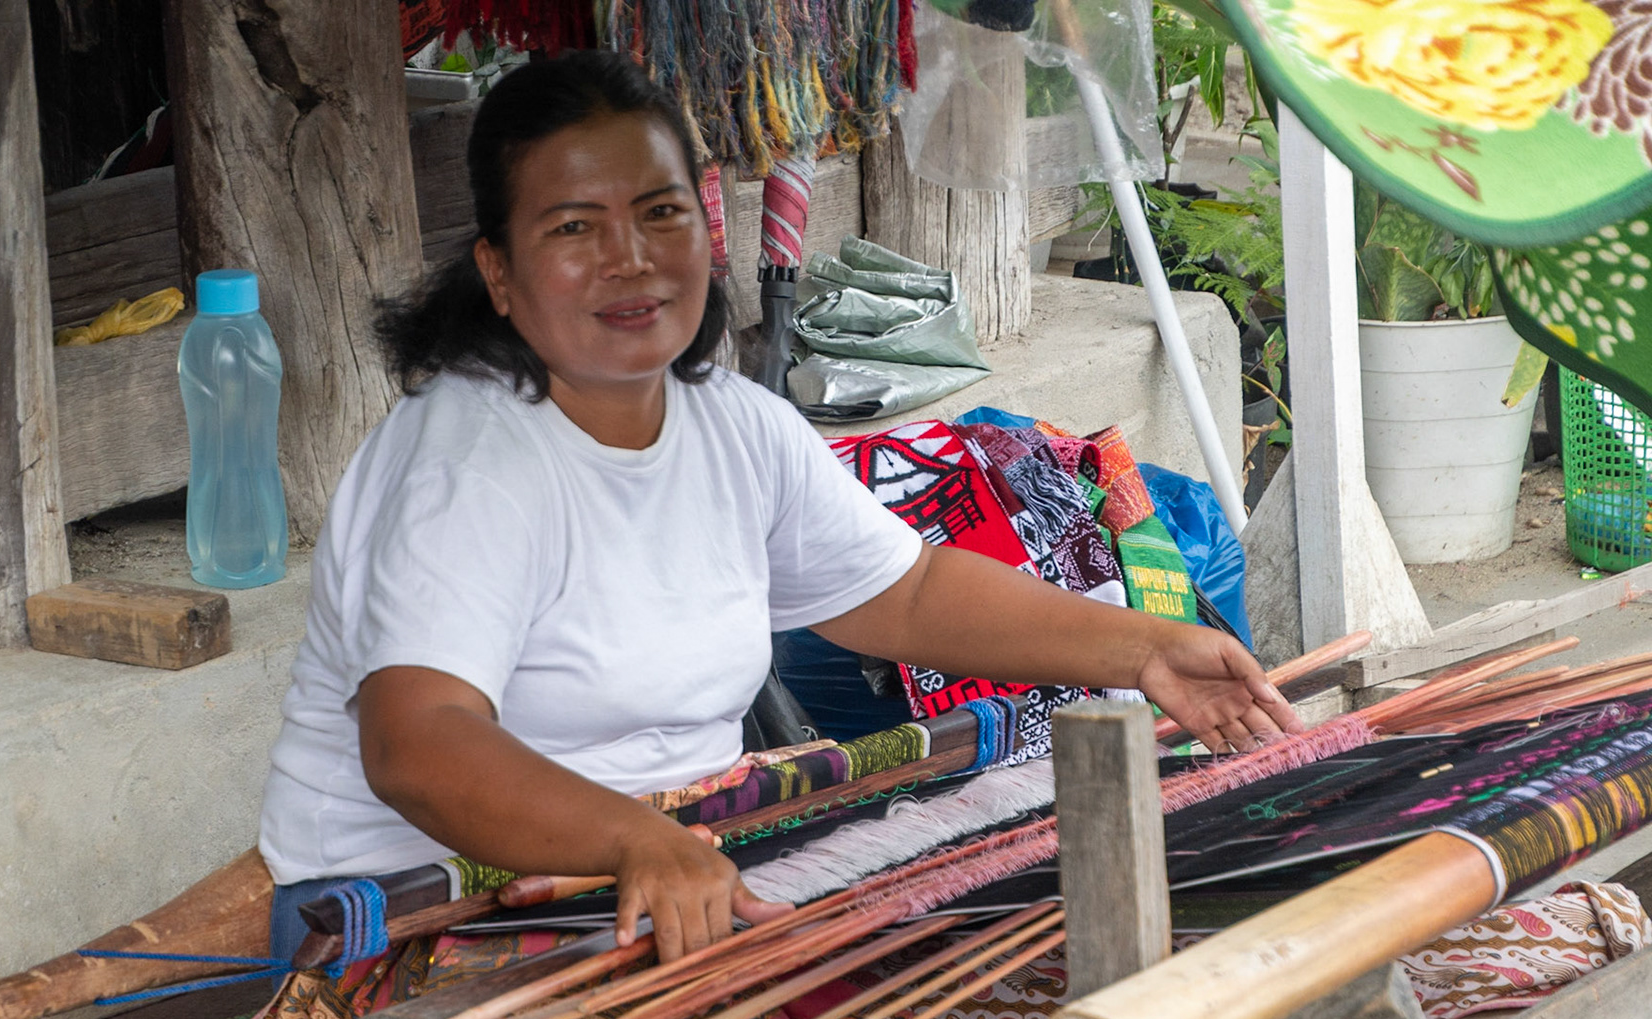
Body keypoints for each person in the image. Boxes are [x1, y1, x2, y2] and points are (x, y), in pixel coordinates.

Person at [257, 51, 1300, 967]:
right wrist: (632, 839)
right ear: (498, 270)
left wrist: (1148, 650)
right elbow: (420, 743)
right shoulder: (469, 462)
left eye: (659, 212)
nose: (630, 259)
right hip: (420, 920)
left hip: (668, 878)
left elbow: (912, 592)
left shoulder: (731, 426)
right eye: (575, 228)